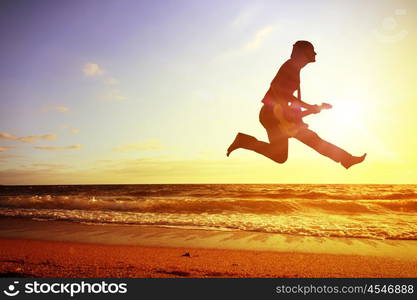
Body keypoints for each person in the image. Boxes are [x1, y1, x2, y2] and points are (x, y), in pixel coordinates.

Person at [227, 41, 366, 169]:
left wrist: (312, 108)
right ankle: (346, 159)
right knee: (313, 140)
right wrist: (304, 108)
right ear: (301, 53)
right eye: (312, 50)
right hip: (272, 115)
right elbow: (277, 89)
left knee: (280, 156)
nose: (315, 53)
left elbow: (286, 96)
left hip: (274, 115)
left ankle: (244, 141)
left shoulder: (294, 69)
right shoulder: (290, 67)